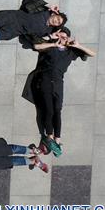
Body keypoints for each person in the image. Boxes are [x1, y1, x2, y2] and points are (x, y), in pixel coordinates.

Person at [21, 29, 95, 157]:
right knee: (49, 110)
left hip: (58, 82)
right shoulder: (49, 47)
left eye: (64, 37)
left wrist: (78, 45)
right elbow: (36, 46)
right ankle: (49, 137)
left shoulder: (71, 51)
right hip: (44, 80)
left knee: (57, 110)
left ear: (68, 38)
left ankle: (57, 140)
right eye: (59, 36)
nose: (61, 39)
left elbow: (92, 54)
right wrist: (52, 41)